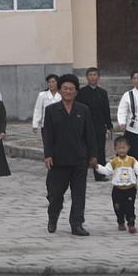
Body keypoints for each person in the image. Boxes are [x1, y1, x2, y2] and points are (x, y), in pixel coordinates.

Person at [43, 74, 98, 236]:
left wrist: (93, 154)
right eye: (65, 88)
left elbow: (90, 134)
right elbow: (48, 135)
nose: (68, 91)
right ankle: (53, 217)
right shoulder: (51, 110)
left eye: (71, 89)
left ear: (76, 92)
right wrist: (48, 155)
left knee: (79, 194)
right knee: (55, 195)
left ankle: (77, 224)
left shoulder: (83, 110)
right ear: (59, 90)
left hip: (79, 159)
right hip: (58, 160)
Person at [95, 136, 138, 233]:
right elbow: (106, 171)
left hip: (130, 189)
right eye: (119, 148)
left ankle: (131, 224)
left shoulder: (132, 160)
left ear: (128, 148)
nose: (121, 150)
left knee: (130, 207)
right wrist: (96, 166)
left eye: (124, 147)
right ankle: (120, 221)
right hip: (117, 190)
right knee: (118, 207)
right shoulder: (113, 162)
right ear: (115, 149)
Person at [76, 67, 114, 182]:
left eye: (95, 75)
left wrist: (109, 125)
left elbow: (106, 110)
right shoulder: (81, 93)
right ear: (87, 77)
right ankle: (80, 172)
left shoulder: (102, 93)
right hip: (85, 126)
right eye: (90, 75)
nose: (93, 77)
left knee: (100, 150)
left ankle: (99, 173)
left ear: (98, 77)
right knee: (84, 149)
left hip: (99, 126)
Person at [32, 74, 61, 141]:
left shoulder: (61, 95)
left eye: (53, 82)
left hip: (60, 125)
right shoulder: (42, 95)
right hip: (46, 125)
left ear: (57, 83)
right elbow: (38, 109)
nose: (51, 84)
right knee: (48, 145)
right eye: (49, 82)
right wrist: (35, 124)